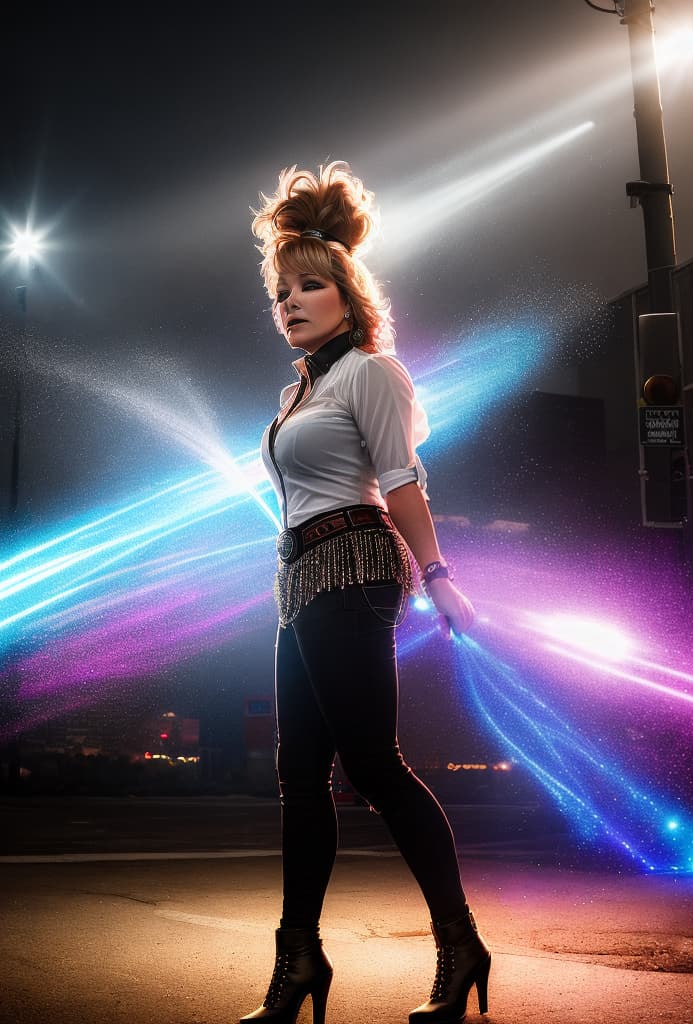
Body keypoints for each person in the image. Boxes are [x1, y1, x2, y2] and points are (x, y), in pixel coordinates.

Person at [241, 162, 490, 1024]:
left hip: (354, 564)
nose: (292, 301)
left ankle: (458, 946)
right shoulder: (294, 392)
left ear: (348, 291)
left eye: (311, 285)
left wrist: (442, 578)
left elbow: (404, 481)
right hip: (297, 576)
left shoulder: (371, 375)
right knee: (298, 775)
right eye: (281, 291)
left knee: (373, 764)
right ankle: (299, 960)